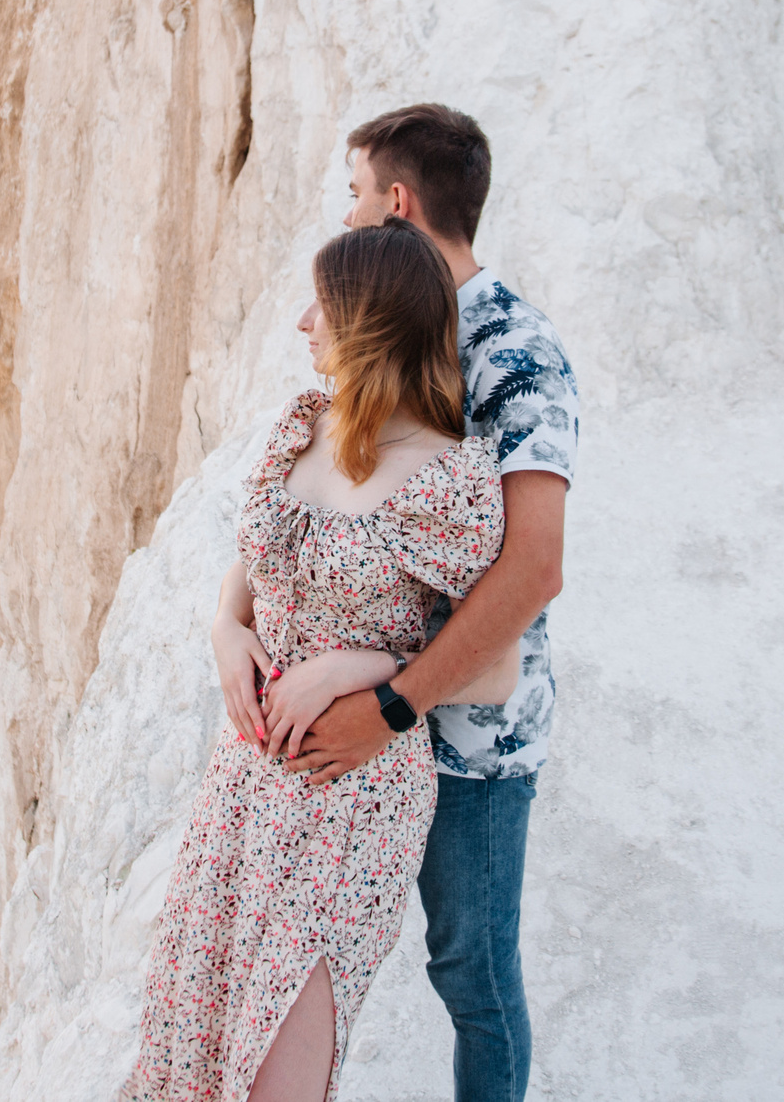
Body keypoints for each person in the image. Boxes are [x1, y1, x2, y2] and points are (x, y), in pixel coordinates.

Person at [122, 218, 507, 1102]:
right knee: (194, 1043)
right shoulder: (305, 426)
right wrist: (226, 623)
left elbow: (492, 670)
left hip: (353, 799)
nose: (303, 321)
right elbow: (256, 564)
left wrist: (357, 666)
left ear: (369, 322)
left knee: (276, 1079)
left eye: (322, 306)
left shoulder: (447, 481)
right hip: (245, 786)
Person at [284, 103, 578, 1102]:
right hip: (372, 718)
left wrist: (393, 705)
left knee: (470, 972)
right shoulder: (387, 318)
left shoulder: (514, 352)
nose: (351, 213)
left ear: (396, 203)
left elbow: (533, 568)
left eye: (357, 194)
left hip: (465, 737)